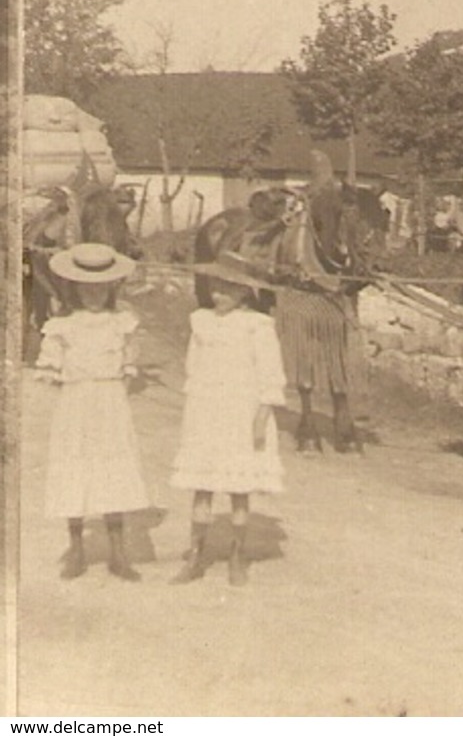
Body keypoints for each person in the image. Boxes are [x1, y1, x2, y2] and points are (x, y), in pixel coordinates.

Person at [170, 252, 286, 586]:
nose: (218, 296)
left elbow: (271, 375)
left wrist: (261, 418)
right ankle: (196, 554)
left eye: (227, 290)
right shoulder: (201, 321)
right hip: (207, 412)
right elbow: (193, 368)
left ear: (245, 293)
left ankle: (237, 554)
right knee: (202, 486)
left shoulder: (257, 327)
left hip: (241, 413)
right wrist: (194, 412)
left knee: (239, 487)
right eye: (215, 289)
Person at [37, 242, 148, 581]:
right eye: (86, 288)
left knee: (113, 468)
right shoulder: (63, 325)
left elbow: (130, 363)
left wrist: (114, 391)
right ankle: (77, 549)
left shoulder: (122, 322)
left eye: (100, 288)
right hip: (77, 402)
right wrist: (74, 390)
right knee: (75, 466)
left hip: (110, 399)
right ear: (74, 288)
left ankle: (118, 551)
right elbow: (50, 371)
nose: (94, 295)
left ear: (111, 287)